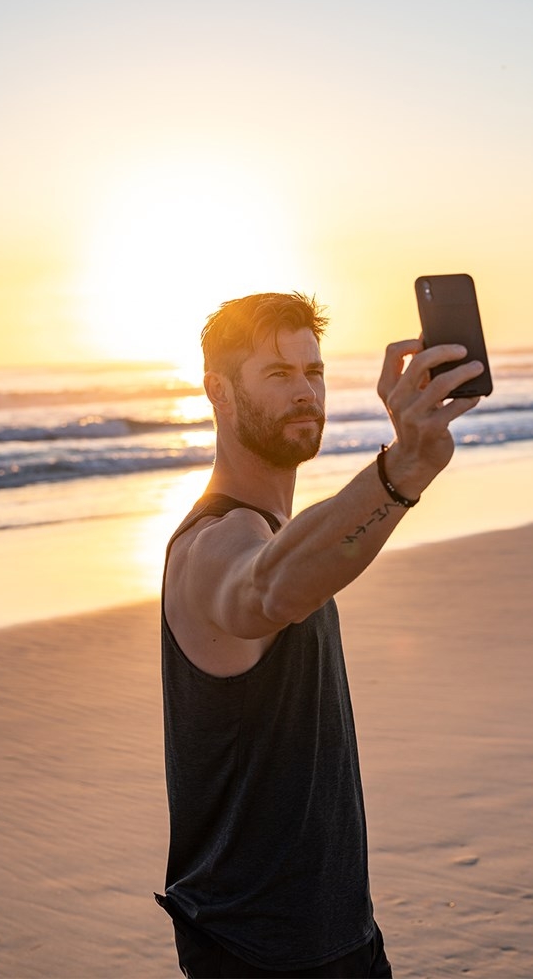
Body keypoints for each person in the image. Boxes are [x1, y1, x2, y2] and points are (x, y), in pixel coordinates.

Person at [155, 292, 483, 978]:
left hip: (334, 934)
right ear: (217, 392)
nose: (305, 392)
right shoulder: (214, 542)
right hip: (260, 952)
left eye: (314, 371)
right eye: (278, 375)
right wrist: (404, 468)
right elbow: (267, 589)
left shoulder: (277, 529)